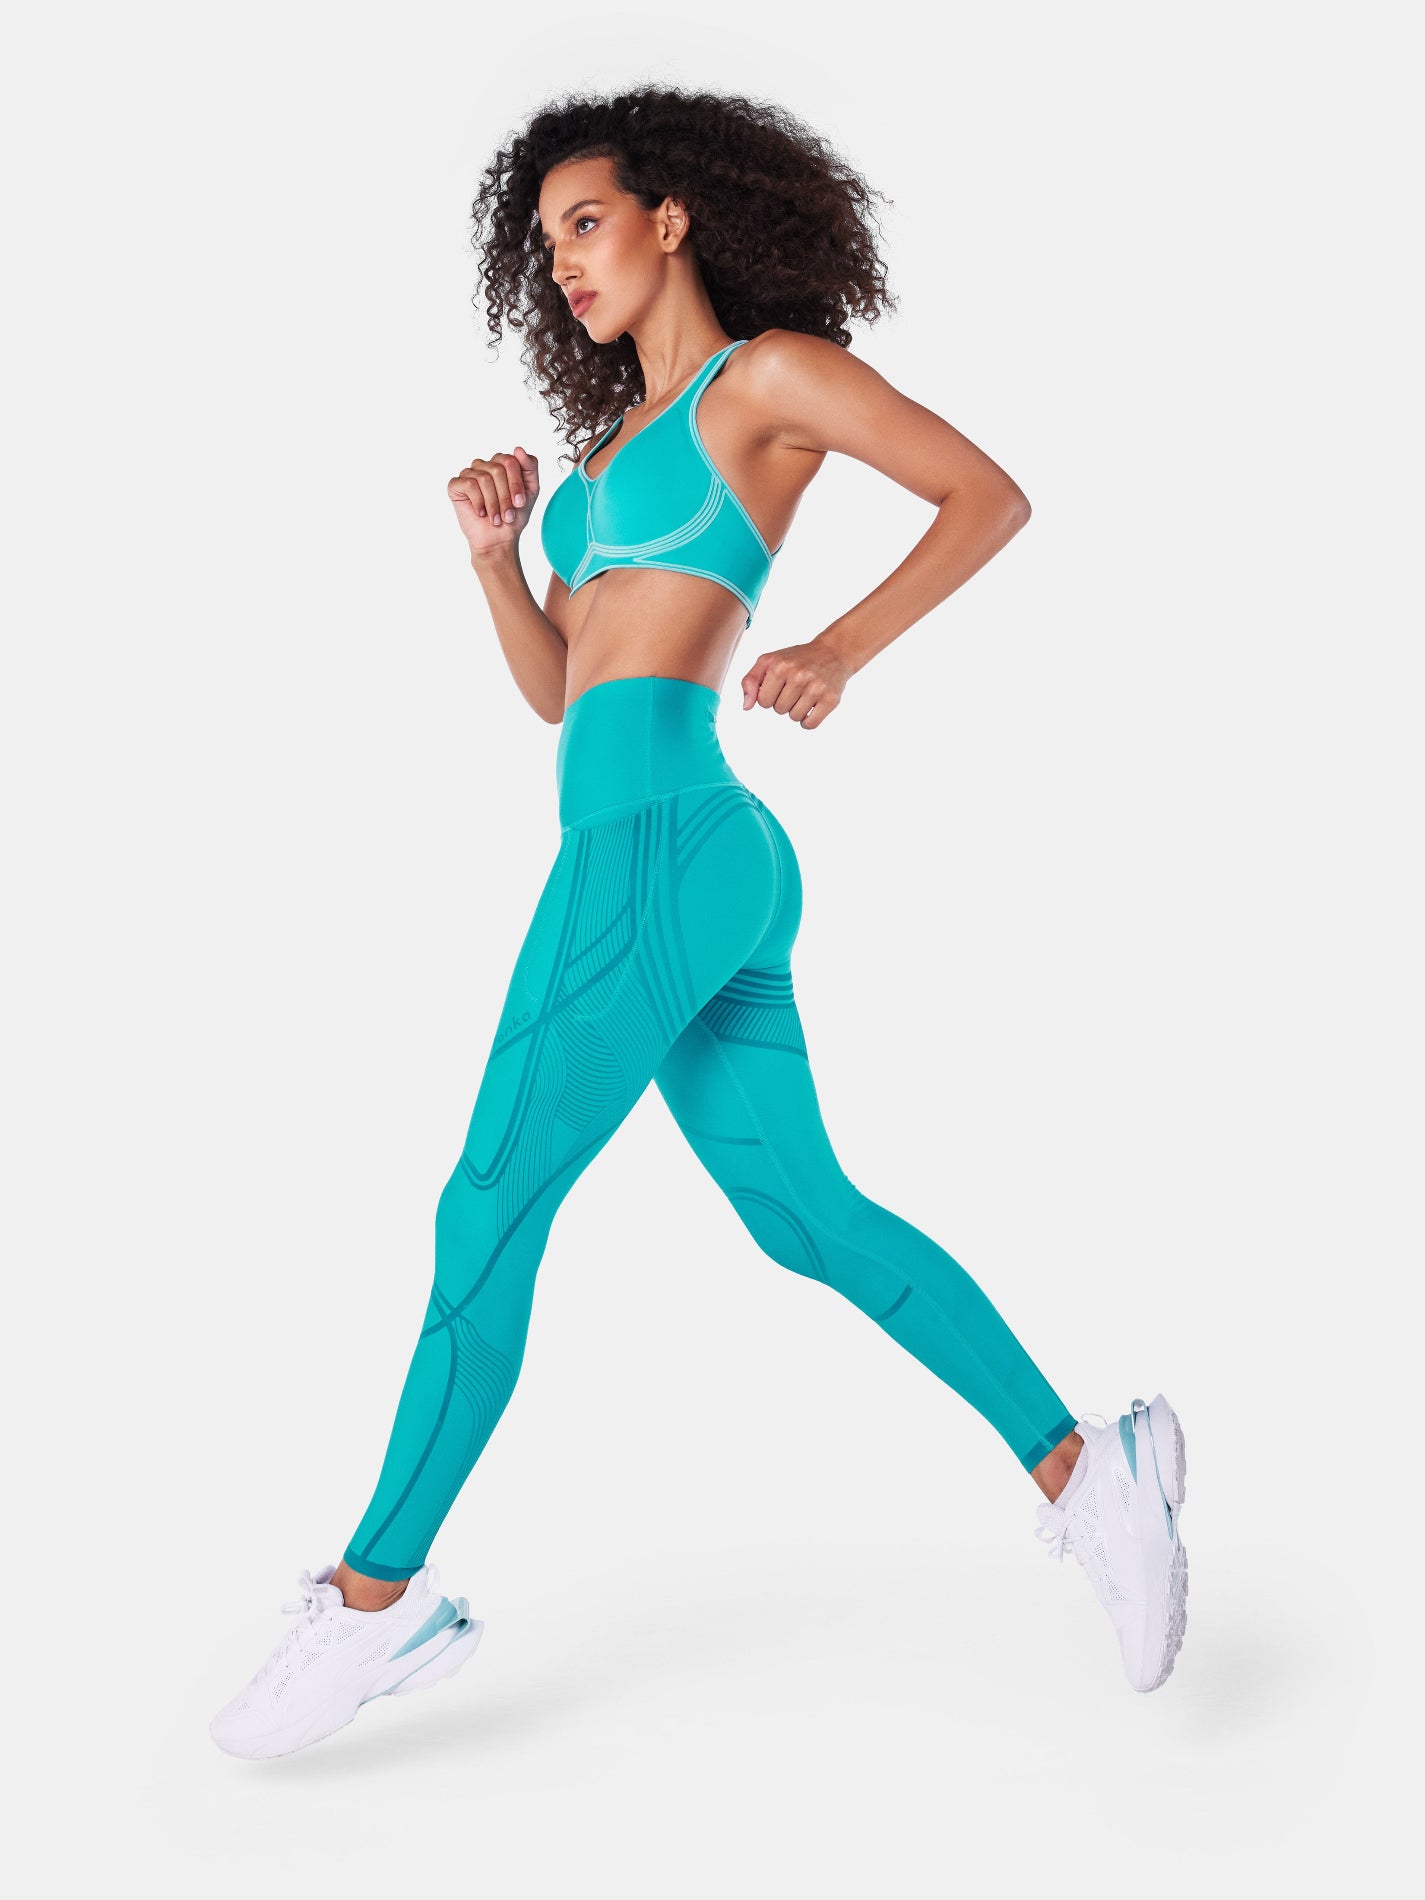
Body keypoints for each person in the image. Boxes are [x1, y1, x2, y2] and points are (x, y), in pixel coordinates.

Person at [210, 85, 1188, 1763]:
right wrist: (495, 561)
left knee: (487, 1204)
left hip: (662, 850)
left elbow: (984, 496)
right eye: (546, 245)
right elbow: (558, 694)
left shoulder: (767, 382)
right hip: (659, 852)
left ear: (672, 219)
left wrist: (839, 649)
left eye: (586, 223)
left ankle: (374, 1605)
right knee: (801, 1212)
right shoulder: (597, 468)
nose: (565, 263)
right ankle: (1085, 1467)